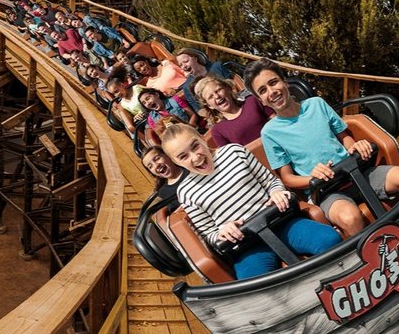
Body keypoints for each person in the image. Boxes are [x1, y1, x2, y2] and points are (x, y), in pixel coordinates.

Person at [245, 58, 399, 237]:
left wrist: (356, 146)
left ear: (284, 81)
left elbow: (344, 137)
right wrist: (311, 177)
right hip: (327, 191)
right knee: (350, 218)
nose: (271, 92)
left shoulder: (316, 104)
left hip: (356, 172)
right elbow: (287, 178)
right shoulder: (270, 132)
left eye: (273, 82)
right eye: (263, 91)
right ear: (262, 101)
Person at [160, 123, 342, 279]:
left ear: (201, 138)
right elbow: (209, 234)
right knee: (256, 284)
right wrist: (223, 231)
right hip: (248, 245)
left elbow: (271, 182)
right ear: (176, 162)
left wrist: (277, 193)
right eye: (183, 156)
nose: (195, 157)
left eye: (195, 146)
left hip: (279, 223)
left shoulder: (234, 152)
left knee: (329, 239)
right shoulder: (187, 192)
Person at [195, 75, 273, 147]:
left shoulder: (253, 101)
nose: (217, 96)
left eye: (218, 90)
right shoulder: (218, 130)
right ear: (209, 106)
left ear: (228, 89)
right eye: (211, 97)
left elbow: (277, 122)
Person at [141, 144, 185, 211]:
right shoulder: (163, 192)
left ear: (167, 155)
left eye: (157, 158)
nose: (156, 165)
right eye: (150, 166)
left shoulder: (189, 169)